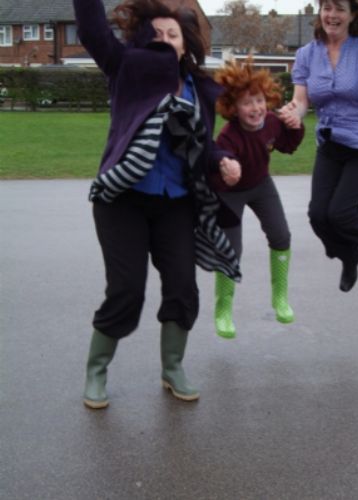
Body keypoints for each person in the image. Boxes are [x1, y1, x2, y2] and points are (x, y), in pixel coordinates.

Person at [73, 0, 242, 408]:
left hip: (176, 204)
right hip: (123, 201)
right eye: (156, 34)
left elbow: (201, 146)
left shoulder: (198, 90)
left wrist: (223, 160)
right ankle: (96, 371)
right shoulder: (127, 69)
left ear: (185, 45)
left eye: (172, 35)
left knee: (183, 288)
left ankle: (173, 368)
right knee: (127, 290)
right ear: (142, 41)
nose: (164, 40)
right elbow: (94, 31)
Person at [279, 0, 358, 292]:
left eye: (339, 8)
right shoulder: (307, 54)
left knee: (340, 213)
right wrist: (294, 113)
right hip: (331, 144)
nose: (332, 15)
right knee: (318, 216)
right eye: (327, 8)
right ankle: (350, 255)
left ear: (352, 15)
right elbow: (301, 100)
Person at [210, 60, 305, 338]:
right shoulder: (228, 136)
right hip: (229, 193)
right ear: (233, 108)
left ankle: (280, 298)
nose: (255, 108)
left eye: (260, 100)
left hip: (261, 185)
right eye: (246, 103)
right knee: (230, 251)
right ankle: (223, 310)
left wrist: (295, 126)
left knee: (281, 235)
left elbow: (288, 146)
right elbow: (216, 168)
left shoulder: (272, 122)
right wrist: (227, 168)